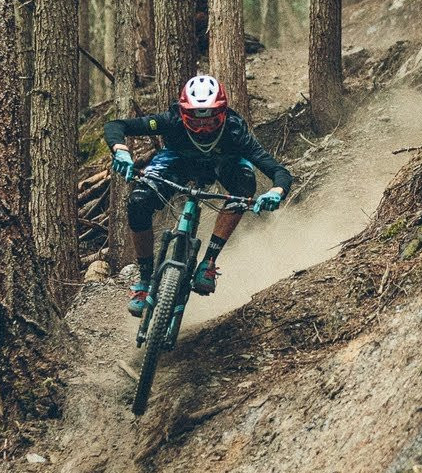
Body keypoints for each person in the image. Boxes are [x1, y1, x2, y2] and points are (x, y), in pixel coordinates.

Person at [104, 75, 293, 317]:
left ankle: (209, 261)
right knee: (138, 202)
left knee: (244, 185)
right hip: (177, 161)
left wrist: (276, 192)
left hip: (223, 163)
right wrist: (120, 152)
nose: (203, 128)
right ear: (183, 113)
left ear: (223, 113)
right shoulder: (170, 119)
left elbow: (278, 170)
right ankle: (144, 281)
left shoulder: (235, 131)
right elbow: (116, 126)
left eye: (211, 120)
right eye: (195, 120)